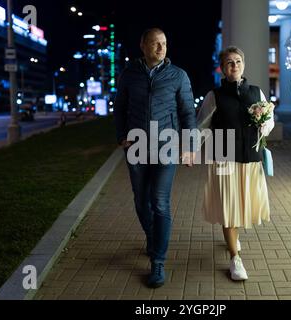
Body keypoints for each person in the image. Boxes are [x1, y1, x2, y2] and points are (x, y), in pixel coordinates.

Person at [114, 28, 197, 288]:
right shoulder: (129, 74)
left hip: (167, 146)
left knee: (159, 202)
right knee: (141, 202)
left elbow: (187, 113)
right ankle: (154, 238)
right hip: (136, 146)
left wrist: (189, 145)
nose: (160, 48)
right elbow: (120, 108)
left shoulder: (178, 76)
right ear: (143, 45)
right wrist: (121, 136)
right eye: (154, 43)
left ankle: (157, 261)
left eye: (164, 43)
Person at [197, 46, 275, 281]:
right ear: (222, 68)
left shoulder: (256, 92)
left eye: (238, 61)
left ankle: (233, 240)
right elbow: (202, 125)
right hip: (224, 157)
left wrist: (265, 126)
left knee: (242, 205)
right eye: (229, 62)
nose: (234, 66)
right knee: (230, 209)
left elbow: (270, 120)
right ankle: (235, 258)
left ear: (244, 64)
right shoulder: (214, 96)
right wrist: (189, 150)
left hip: (250, 159)